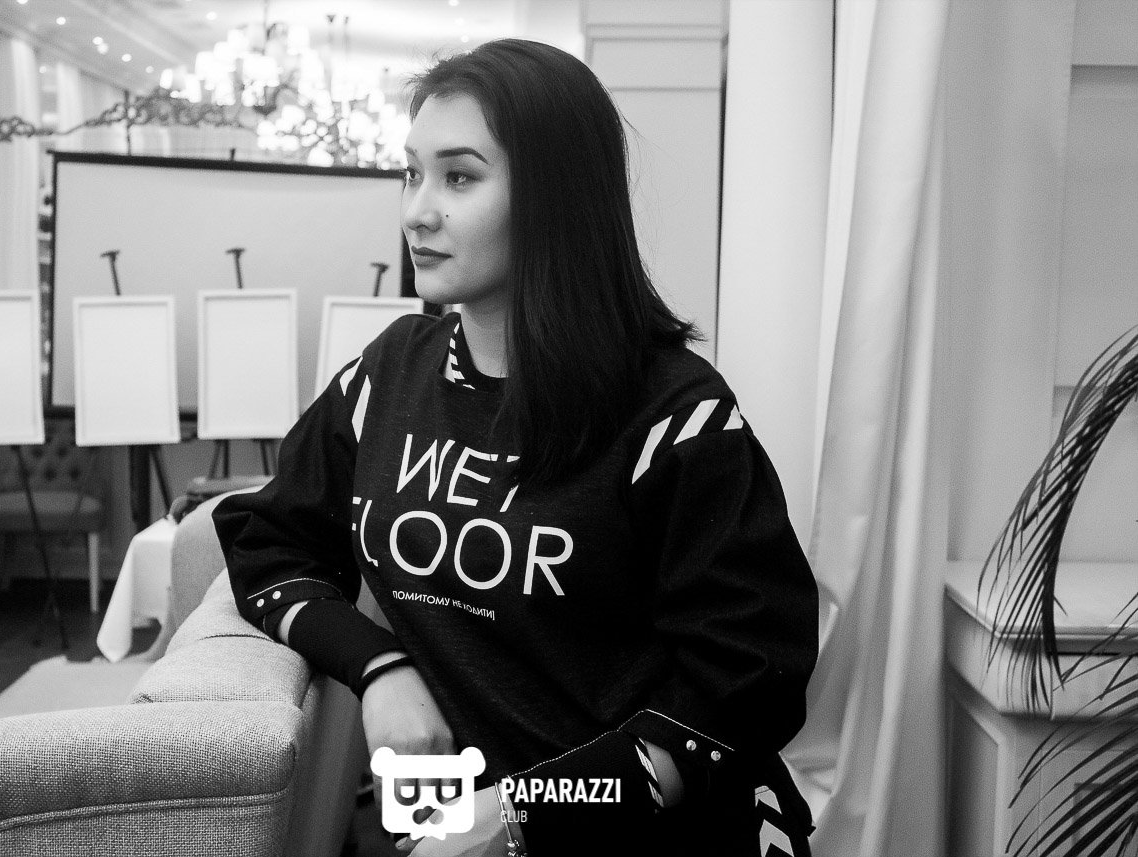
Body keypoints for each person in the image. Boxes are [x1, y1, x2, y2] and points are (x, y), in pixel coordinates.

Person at [214, 38, 819, 857]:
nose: (416, 211)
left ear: (555, 197)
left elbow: (745, 696)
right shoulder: (387, 376)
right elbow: (266, 541)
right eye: (411, 173)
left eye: (459, 178)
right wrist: (380, 667)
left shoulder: (676, 415)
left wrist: (527, 812)